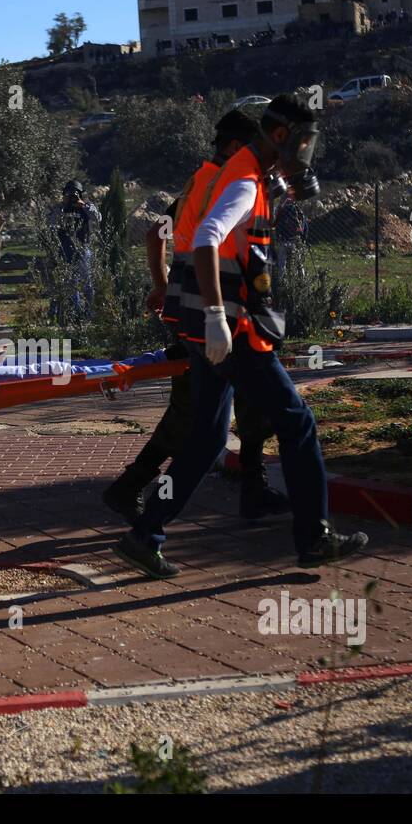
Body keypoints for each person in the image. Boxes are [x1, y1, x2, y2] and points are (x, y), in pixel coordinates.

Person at [114, 95, 367, 579]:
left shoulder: (249, 176)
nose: (306, 152)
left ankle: (144, 535)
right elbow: (208, 237)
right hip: (236, 334)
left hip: (215, 330)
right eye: (303, 141)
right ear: (278, 136)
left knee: (208, 440)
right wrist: (215, 317)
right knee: (298, 424)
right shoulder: (244, 181)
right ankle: (314, 538)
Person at [102, 108, 287, 524]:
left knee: (231, 403)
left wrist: (161, 285)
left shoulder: (198, 184)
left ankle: (249, 488)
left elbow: (156, 234)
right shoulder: (221, 185)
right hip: (210, 309)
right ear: (237, 147)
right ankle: (137, 495)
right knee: (201, 412)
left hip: (199, 307)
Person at [48, 180, 100, 322]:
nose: (72, 197)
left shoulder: (86, 206)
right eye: (68, 194)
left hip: (83, 248)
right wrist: (62, 207)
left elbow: (98, 218)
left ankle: (89, 313)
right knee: (71, 283)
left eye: (74, 194)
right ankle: (76, 313)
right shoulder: (60, 208)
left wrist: (83, 205)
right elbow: (51, 225)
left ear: (81, 194)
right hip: (65, 250)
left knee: (87, 283)